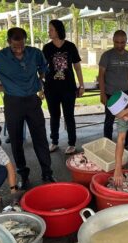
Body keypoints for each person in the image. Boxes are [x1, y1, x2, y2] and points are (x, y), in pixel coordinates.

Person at [0, 27, 56, 190]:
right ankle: (23, 175)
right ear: (8, 42)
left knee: (40, 138)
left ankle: (47, 173)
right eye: (15, 47)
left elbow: (44, 67)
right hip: (13, 102)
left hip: (33, 101)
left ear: (25, 42)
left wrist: (41, 82)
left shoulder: (35, 53)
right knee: (16, 140)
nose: (19, 50)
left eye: (22, 46)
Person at [43, 20, 85, 154]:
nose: (49, 32)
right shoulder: (47, 48)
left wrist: (81, 85)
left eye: (51, 29)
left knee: (69, 116)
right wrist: (40, 86)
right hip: (51, 88)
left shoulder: (70, 46)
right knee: (54, 115)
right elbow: (42, 69)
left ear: (58, 30)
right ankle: (54, 141)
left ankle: (72, 143)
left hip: (68, 88)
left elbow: (77, 68)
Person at [99, 30, 128, 147]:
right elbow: (101, 75)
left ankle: (126, 143)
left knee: (127, 118)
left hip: (125, 93)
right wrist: (102, 94)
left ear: (126, 42)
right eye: (117, 42)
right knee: (109, 121)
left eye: (122, 42)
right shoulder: (107, 55)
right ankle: (107, 144)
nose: (119, 45)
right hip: (110, 94)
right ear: (113, 41)